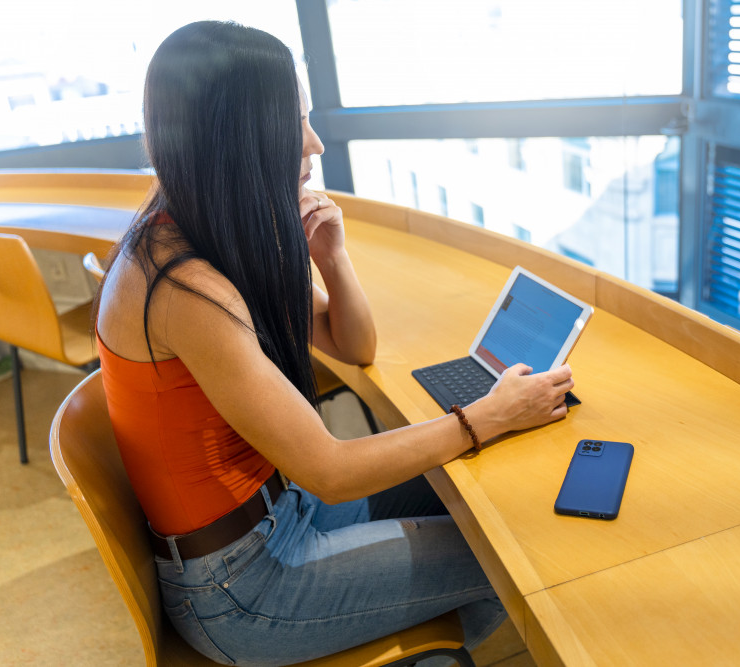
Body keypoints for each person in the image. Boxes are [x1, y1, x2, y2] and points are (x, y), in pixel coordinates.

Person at [95, 20, 574, 666]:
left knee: (478, 497)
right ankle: (422, 646)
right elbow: (332, 468)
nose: (314, 143)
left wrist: (332, 258)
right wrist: (485, 415)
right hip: (243, 585)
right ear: (240, 142)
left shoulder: (205, 225)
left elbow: (357, 346)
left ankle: (416, 634)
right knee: (506, 553)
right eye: (295, 124)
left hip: (284, 513)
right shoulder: (183, 289)